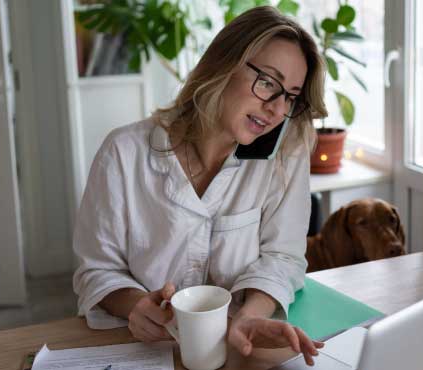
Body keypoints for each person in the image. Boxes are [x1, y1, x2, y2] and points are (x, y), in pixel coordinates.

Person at [72, 5, 328, 366]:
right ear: (221, 65)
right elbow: (96, 269)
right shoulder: (123, 152)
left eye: (290, 96)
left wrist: (249, 316)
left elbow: (282, 256)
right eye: (267, 82)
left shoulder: (287, 153)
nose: (275, 109)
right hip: (145, 350)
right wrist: (136, 306)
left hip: (242, 350)